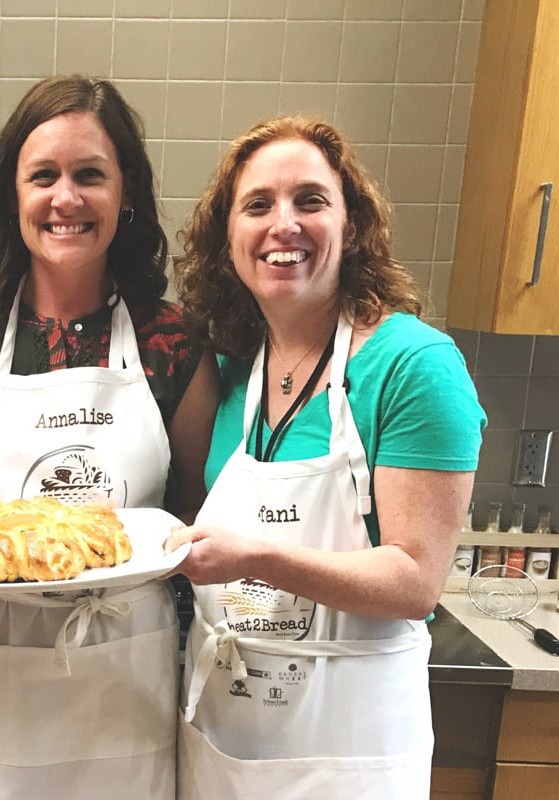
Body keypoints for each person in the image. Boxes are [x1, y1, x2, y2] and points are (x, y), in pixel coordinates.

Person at [0, 75, 218, 799]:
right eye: (43, 176)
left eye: (89, 175)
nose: (65, 198)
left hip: (123, 681)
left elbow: (196, 514)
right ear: (14, 196)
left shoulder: (174, 346)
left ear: (125, 194)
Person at [168, 115, 485, 799]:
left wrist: (255, 560)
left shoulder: (412, 365)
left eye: (310, 200)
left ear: (352, 226)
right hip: (227, 747)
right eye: (258, 205)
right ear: (228, 240)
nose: (284, 223)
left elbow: (414, 581)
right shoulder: (234, 370)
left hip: (350, 755)